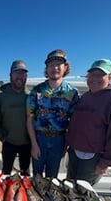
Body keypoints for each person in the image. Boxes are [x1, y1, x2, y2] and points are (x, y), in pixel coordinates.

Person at [66, 59, 111, 185]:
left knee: (82, 194)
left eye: (100, 74)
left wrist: (105, 163)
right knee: (69, 189)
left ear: (110, 77)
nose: (94, 78)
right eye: (92, 74)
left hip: (93, 158)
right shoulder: (85, 97)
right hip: (74, 153)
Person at [26, 49, 79, 178]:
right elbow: (29, 119)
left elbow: (73, 123)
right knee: (36, 177)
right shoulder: (36, 91)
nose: (54, 68)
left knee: (52, 178)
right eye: (51, 65)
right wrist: (34, 144)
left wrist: (65, 146)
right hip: (39, 139)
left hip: (58, 141)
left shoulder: (72, 93)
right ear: (46, 68)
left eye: (58, 64)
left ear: (65, 67)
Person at [0, 60, 31, 175]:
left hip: (27, 143)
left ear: (26, 76)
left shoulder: (31, 96)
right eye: (16, 73)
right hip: (8, 142)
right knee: (6, 173)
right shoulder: (1, 97)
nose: (19, 76)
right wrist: (1, 136)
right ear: (10, 75)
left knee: (25, 174)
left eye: (22, 73)